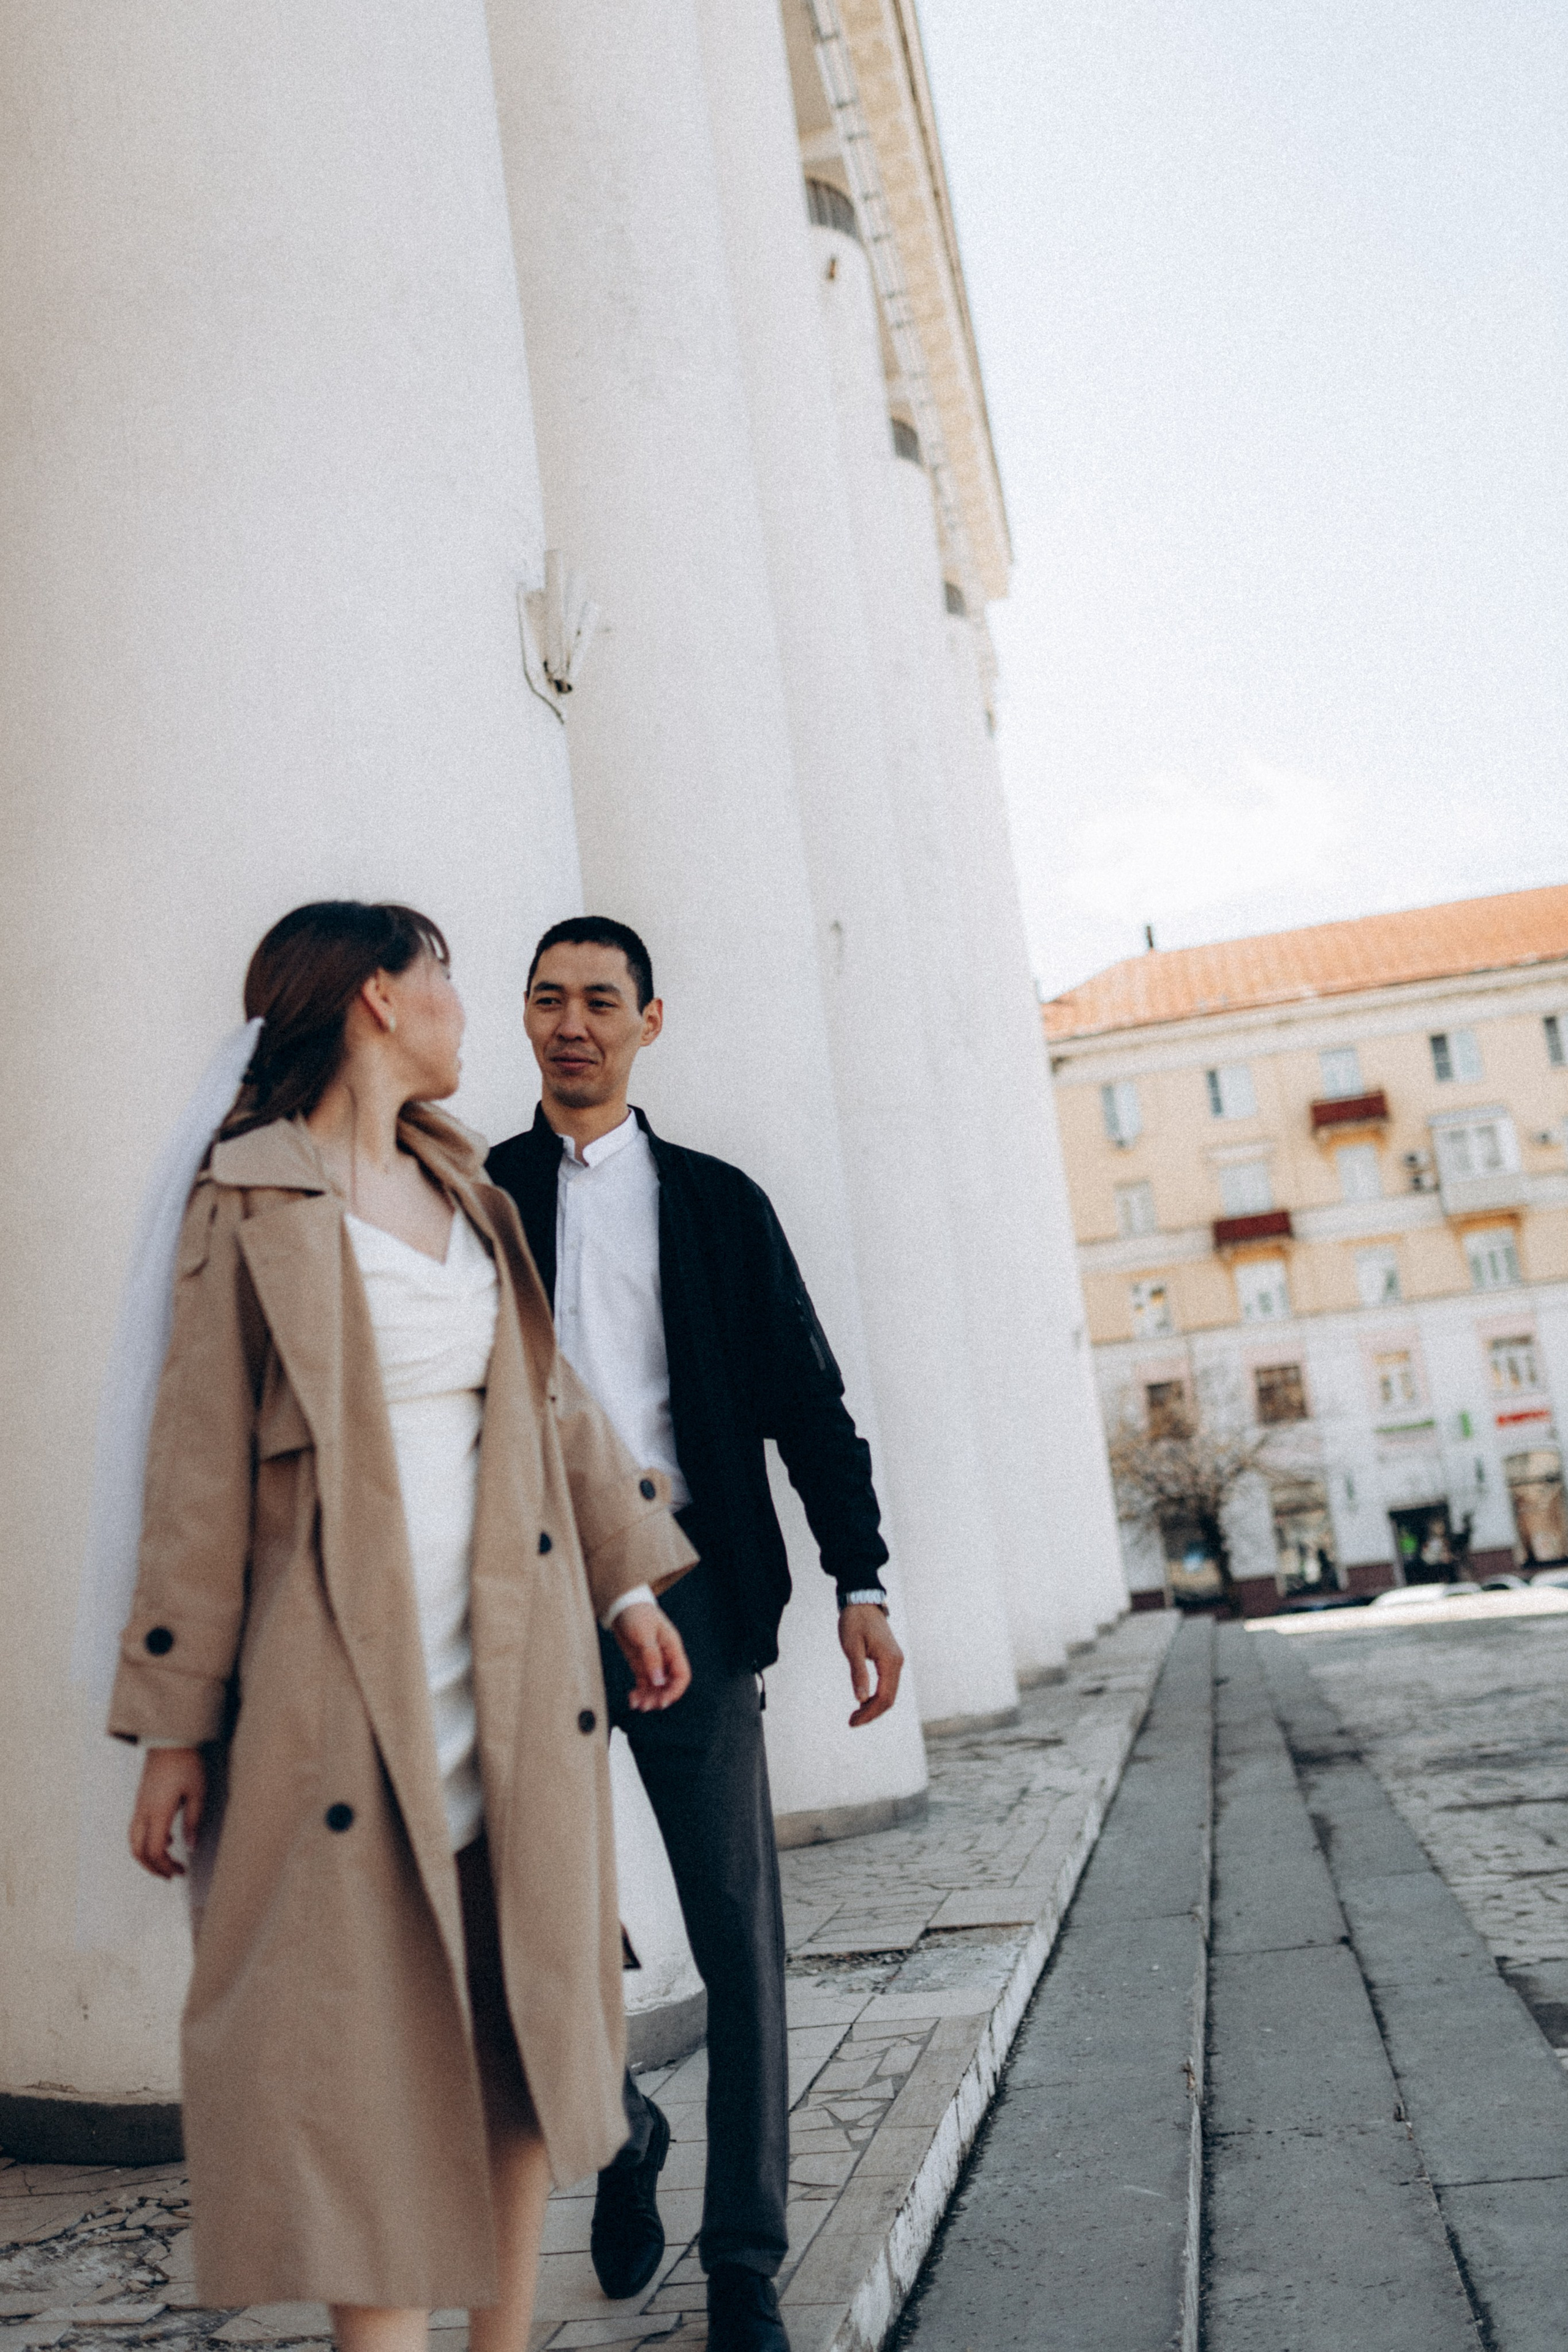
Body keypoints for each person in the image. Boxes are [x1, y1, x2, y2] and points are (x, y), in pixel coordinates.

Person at [111, 902, 698, 2352]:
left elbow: (553, 1401)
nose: (464, 1003)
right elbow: (193, 1476)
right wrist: (175, 1732)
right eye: (443, 973)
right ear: (378, 996)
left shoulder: (465, 1185)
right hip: (335, 1709)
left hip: (510, 1682)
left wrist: (626, 1583)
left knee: (518, 2056)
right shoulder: (246, 1201)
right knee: (357, 2080)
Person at [486, 917, 905, 2352]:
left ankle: (742, 2262)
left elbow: (808, 1402)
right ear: (523, 1018)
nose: (571, 1024)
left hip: (693, 1586)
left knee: (733, 1924)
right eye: (547, 999)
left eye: (601, 1000)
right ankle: (618, 2135)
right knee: (534, 1922)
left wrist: (861, 1581)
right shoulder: (485, 1198)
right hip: (531, 1597)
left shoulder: (718, 1204)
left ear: (650, 1022)